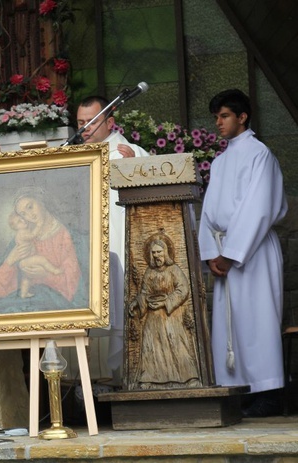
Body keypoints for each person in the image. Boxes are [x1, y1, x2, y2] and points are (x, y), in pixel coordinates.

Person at [198, 89, 287, 417]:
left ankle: (269, 392)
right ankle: (241, 391)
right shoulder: (220, 161)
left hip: (253, 251)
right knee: (231, 325)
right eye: (216, 117)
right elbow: (208, 210)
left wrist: (232, 253)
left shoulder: (259, 154)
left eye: (224, 116)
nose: (218, 123)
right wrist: (210, 251)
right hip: (224, 253)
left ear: (242, 117)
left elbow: (258, 208)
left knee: (257, 319)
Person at [76, 95, 151, 379]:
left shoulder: (129, 152)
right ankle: (92, 383)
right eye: (81, 123)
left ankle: (127, 380)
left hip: (121, 241)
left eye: (92, 122)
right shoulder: (76, 152)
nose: (85, 128)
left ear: (109, 122)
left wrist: (135, 170)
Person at [129, 236, 200, 390]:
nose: (156, 256)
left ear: (166, 252)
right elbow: (144, 292)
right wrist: (137, 302)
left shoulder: (173, 270)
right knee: (150, 345)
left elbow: (183, 289)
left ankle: (188, 378)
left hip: (171, 315)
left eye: (159, 252)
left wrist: (167, 301)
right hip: (153, 316)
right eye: (153, 253)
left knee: (175, 343)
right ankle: (149, 379)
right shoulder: (149, 271)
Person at [0, 191, 81, 307]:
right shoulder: (24, 238)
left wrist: (46, 276)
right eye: (23, 214)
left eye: (30, 207)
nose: (30, 215)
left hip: (53, 305)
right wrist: (10, 260)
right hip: (26, 305)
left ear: (41, 201)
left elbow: (74, 289)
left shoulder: (68, 236)